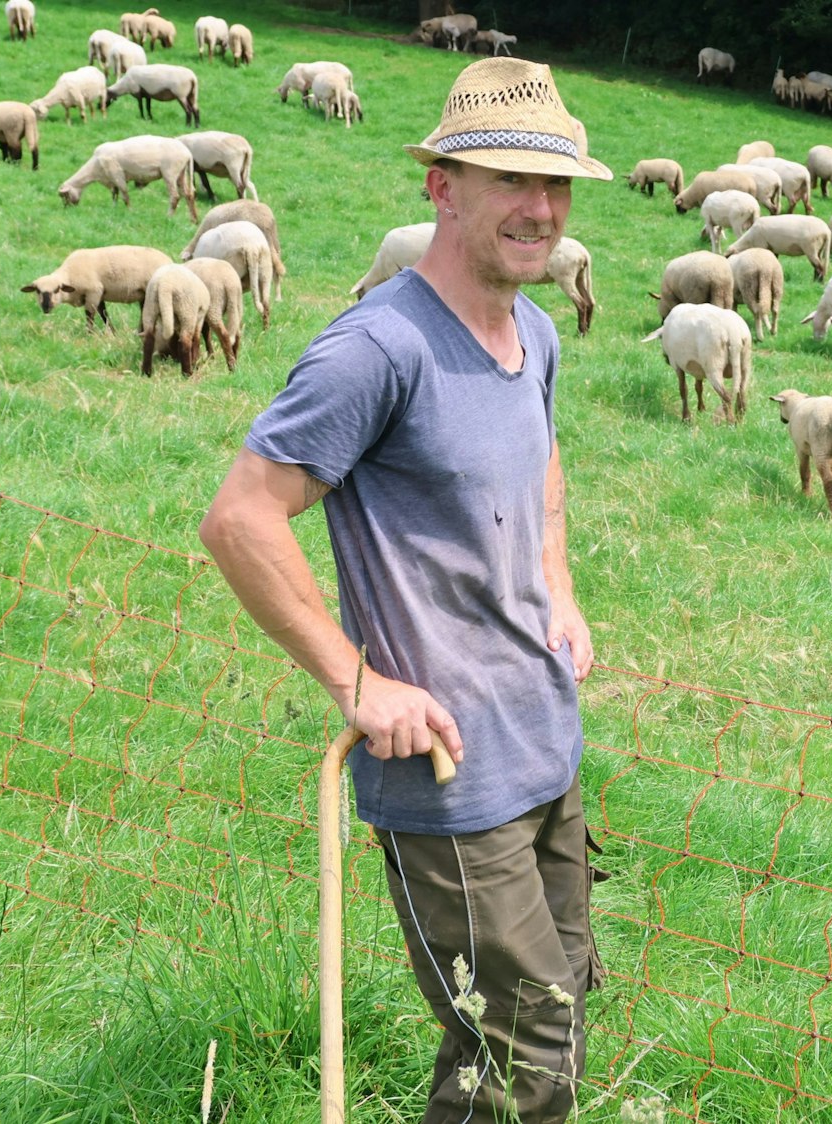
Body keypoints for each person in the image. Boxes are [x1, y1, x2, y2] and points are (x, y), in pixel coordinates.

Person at [198, 56, 610, 1123]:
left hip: (544, 742)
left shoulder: (536, 329)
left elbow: (542, 460)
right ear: (442, 186)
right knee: (521, 1048)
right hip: (448, 772)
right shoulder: (378, 347)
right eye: (511, 180)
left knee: (545, 1018)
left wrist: (556, 585)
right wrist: (358, 680)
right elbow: (240, 517)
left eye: (556, 185)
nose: (540, 208)